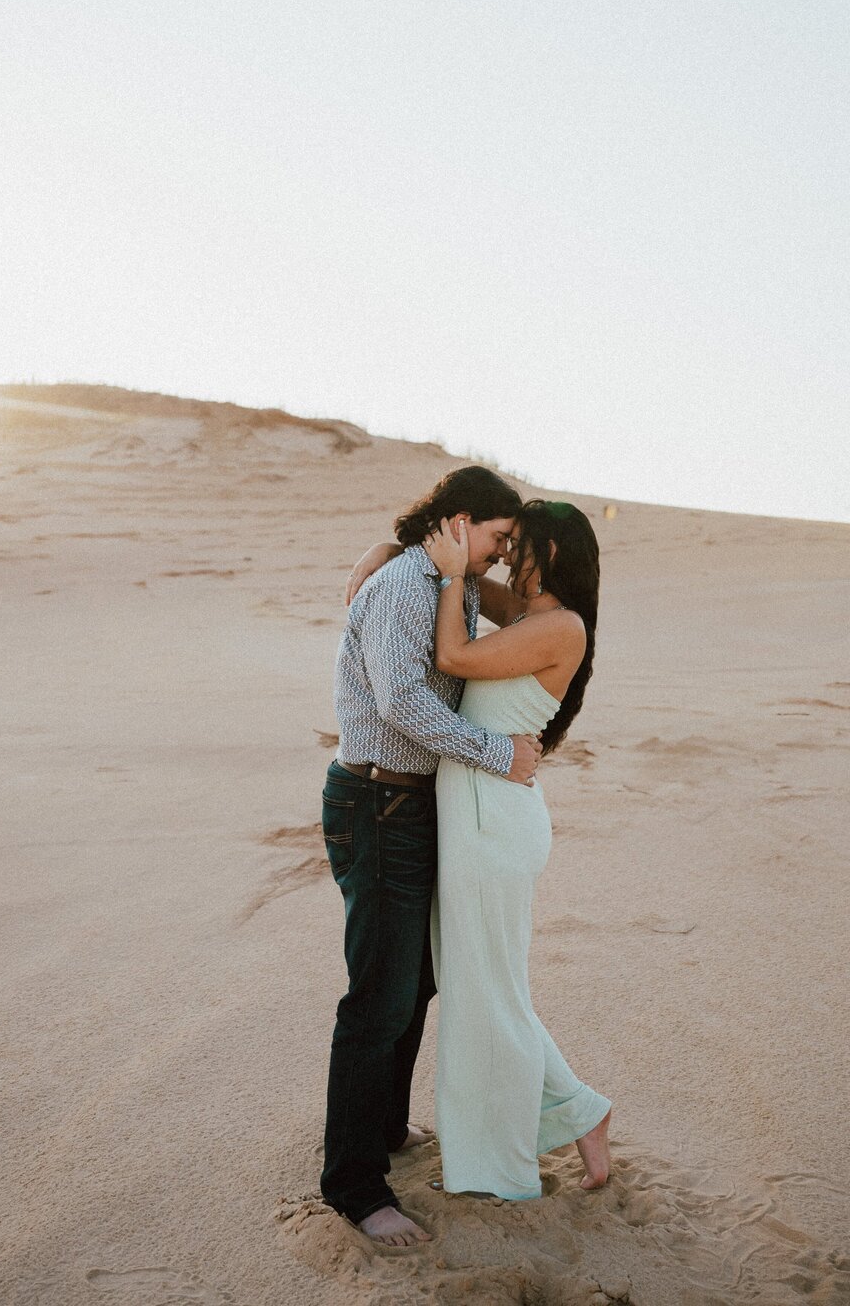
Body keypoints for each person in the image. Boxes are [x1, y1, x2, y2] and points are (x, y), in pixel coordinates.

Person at [353, 498, 612, 1206]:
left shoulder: (559, 626)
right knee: (484, 987)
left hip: (491, 816)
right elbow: (454, 573)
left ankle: (493, 1168)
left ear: (549, 553)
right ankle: (580, 1112)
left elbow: (452, 655)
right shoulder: (531, 615)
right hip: (477, 812)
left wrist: (439, 580)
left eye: (517, 543)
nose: (503, 554)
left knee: (482, 993)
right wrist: (403, 553)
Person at [321, 466, 542, 1249]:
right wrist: (497, 753)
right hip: (375, 803)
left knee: (419, 980)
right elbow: (401, 703)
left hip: (414, 806)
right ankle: (351, 1183)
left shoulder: (448, 582)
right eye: (498, 537)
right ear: (457, 521)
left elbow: (506, 631)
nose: (501, 555)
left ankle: (382, 1127)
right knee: (378, 996)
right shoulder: (403, 587)